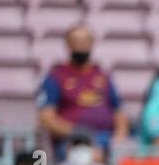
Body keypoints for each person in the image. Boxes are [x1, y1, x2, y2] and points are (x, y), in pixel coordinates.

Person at [37, 24, 129, 156]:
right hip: (72, 142)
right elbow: (46, 117)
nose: (81, 45)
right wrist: (78, 134)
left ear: (92, 44)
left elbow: (119, 113)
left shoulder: (102, 76)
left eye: (85, 41)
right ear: (68, 44)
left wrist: (119, 138)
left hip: (106, 140)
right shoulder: (56, 77)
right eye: (76, 41)